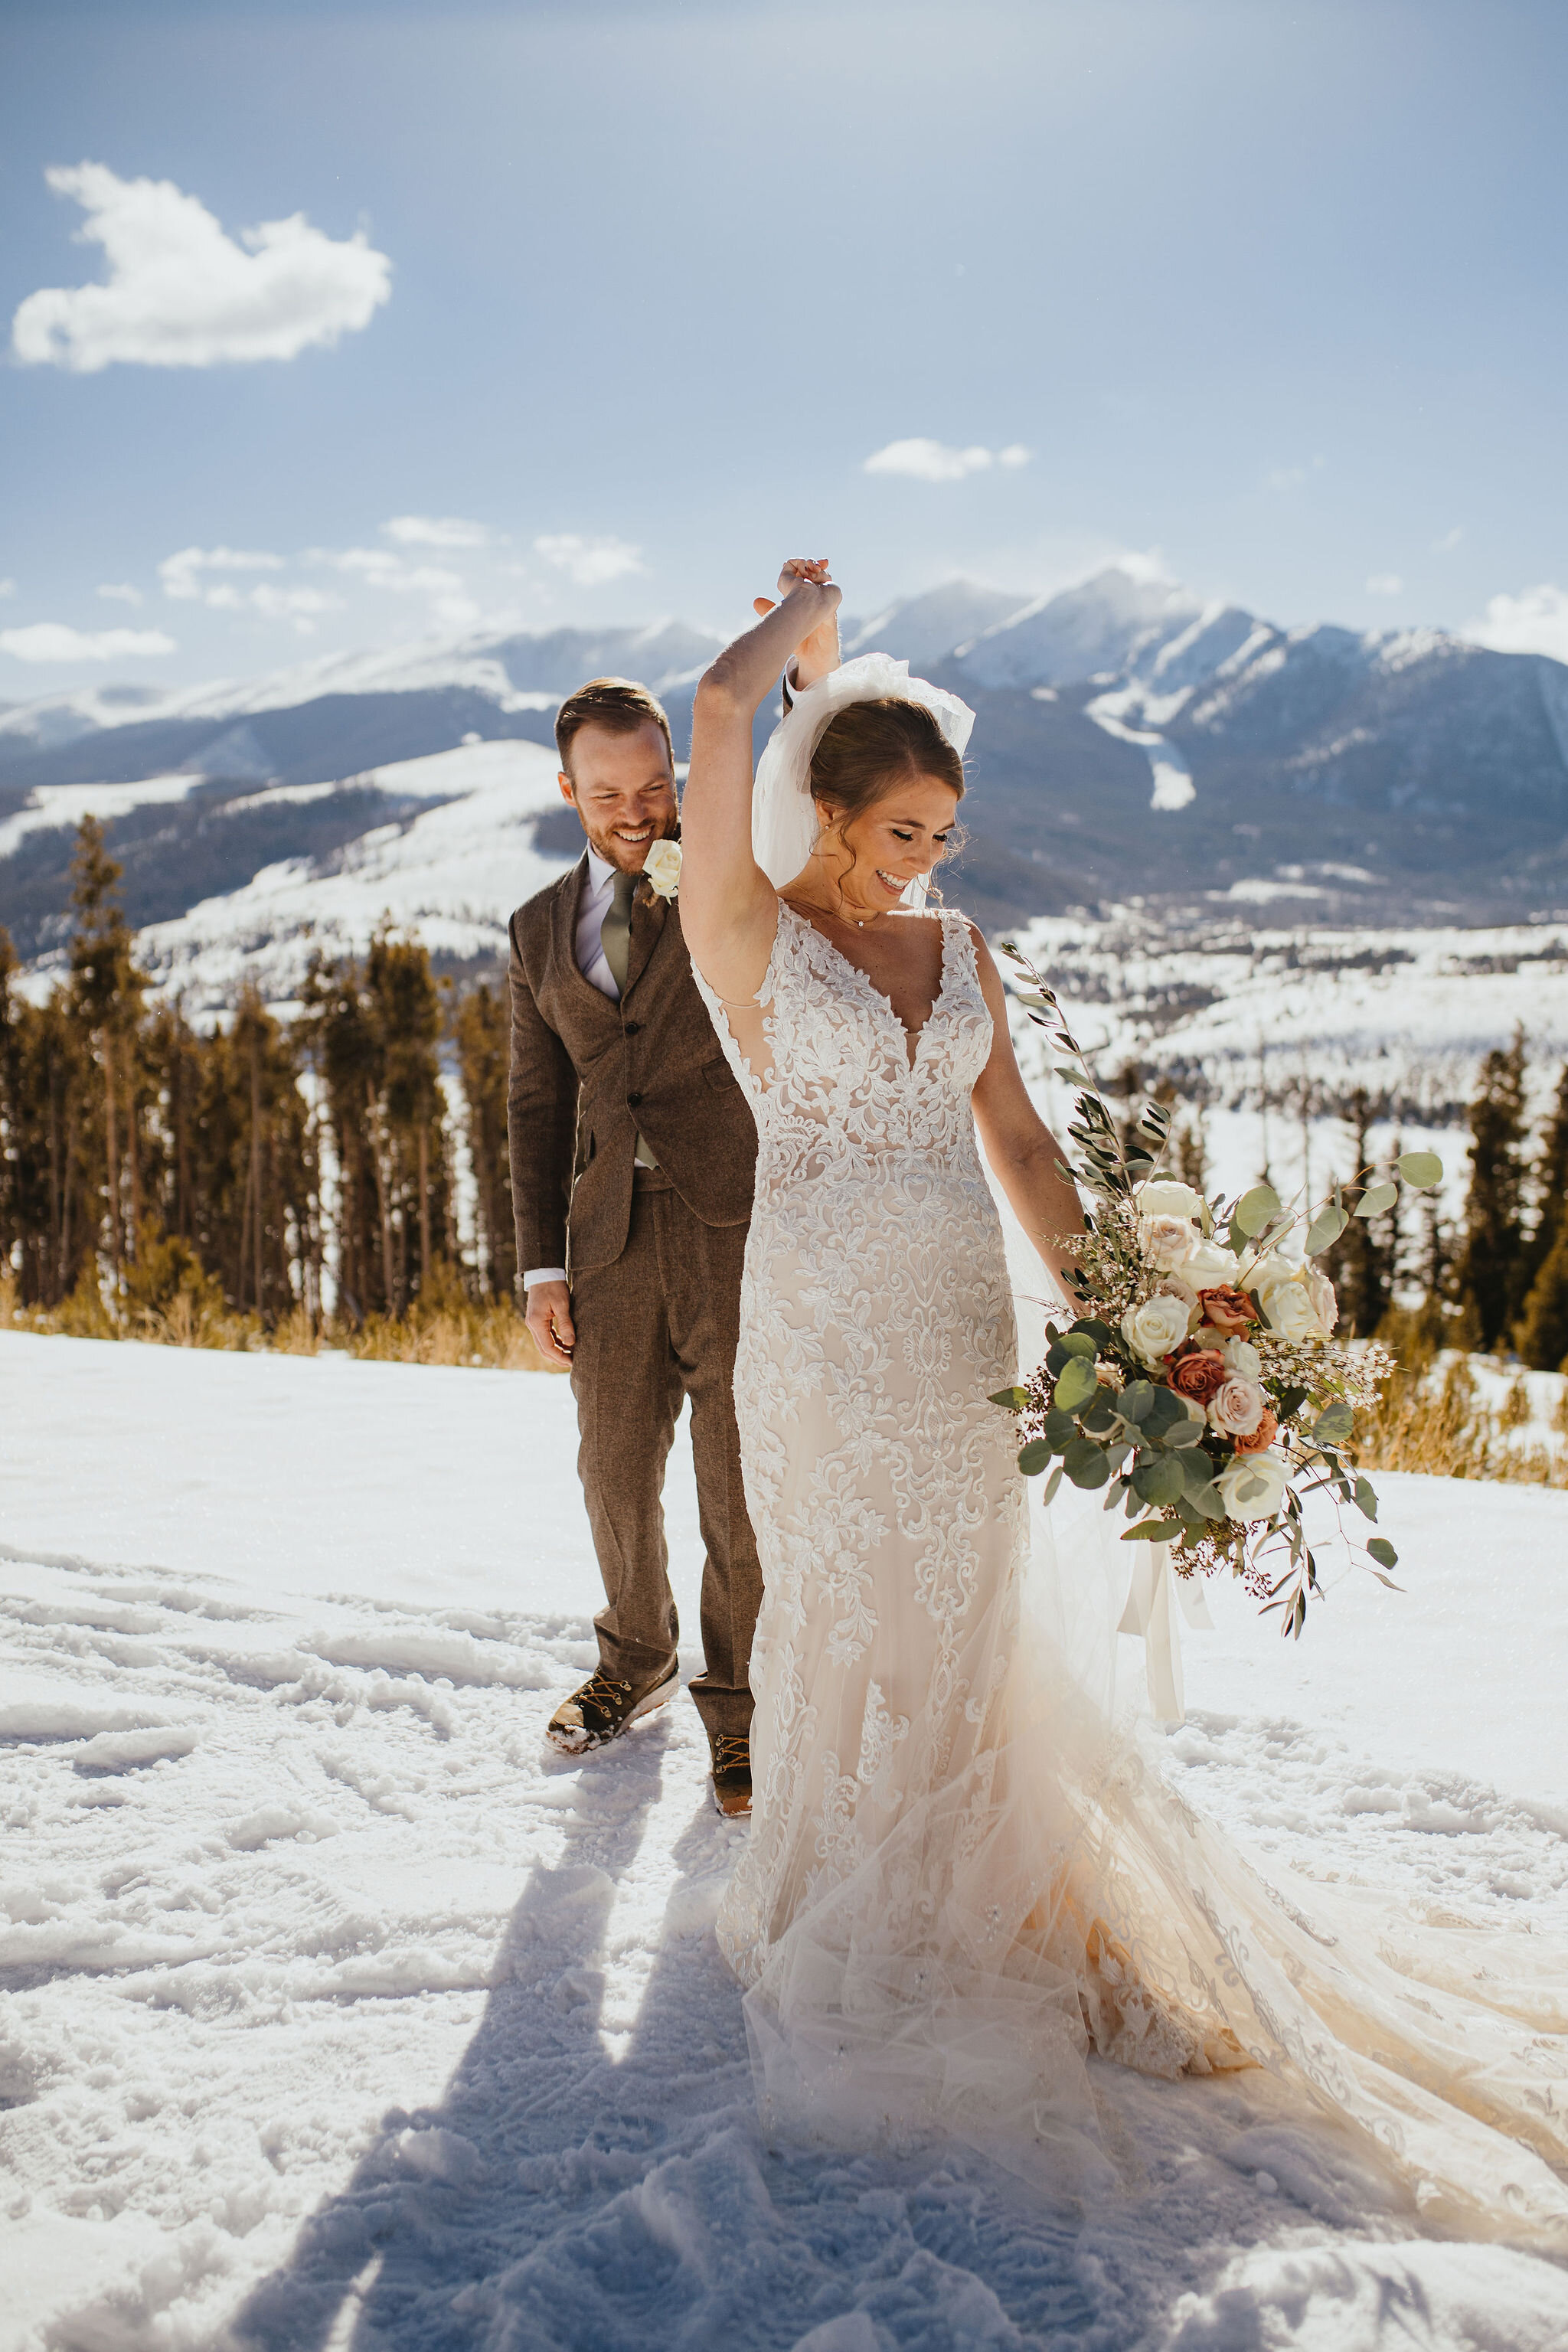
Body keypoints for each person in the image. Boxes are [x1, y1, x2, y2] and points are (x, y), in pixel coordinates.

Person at [677, 560, 1568, 2238]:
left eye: (946, 831)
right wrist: (803, 634)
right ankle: (825, 1881)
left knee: (961, 1600)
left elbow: (1012, 1140)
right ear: (825, 812)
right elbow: (724, 716)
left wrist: (1139, 1324)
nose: (927, 859)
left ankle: (965, 1887)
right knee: (843, 1597)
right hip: (816, 1321)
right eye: (900, 831)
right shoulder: (741, 930)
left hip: (954, 1314)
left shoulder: (958, 946)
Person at [506, 675, 761, 1815]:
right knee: (612, 1468)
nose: (636, 808)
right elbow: (534, 1107)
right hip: (606, 1236)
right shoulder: (533, 930)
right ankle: (634, 1660)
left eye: (655, 784)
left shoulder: (732, 878)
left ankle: (743, 1700)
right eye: (608, 790)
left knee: (736, 1480)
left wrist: (808, 657)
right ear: (569, 791)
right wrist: (539, 1265)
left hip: (736, 1219)